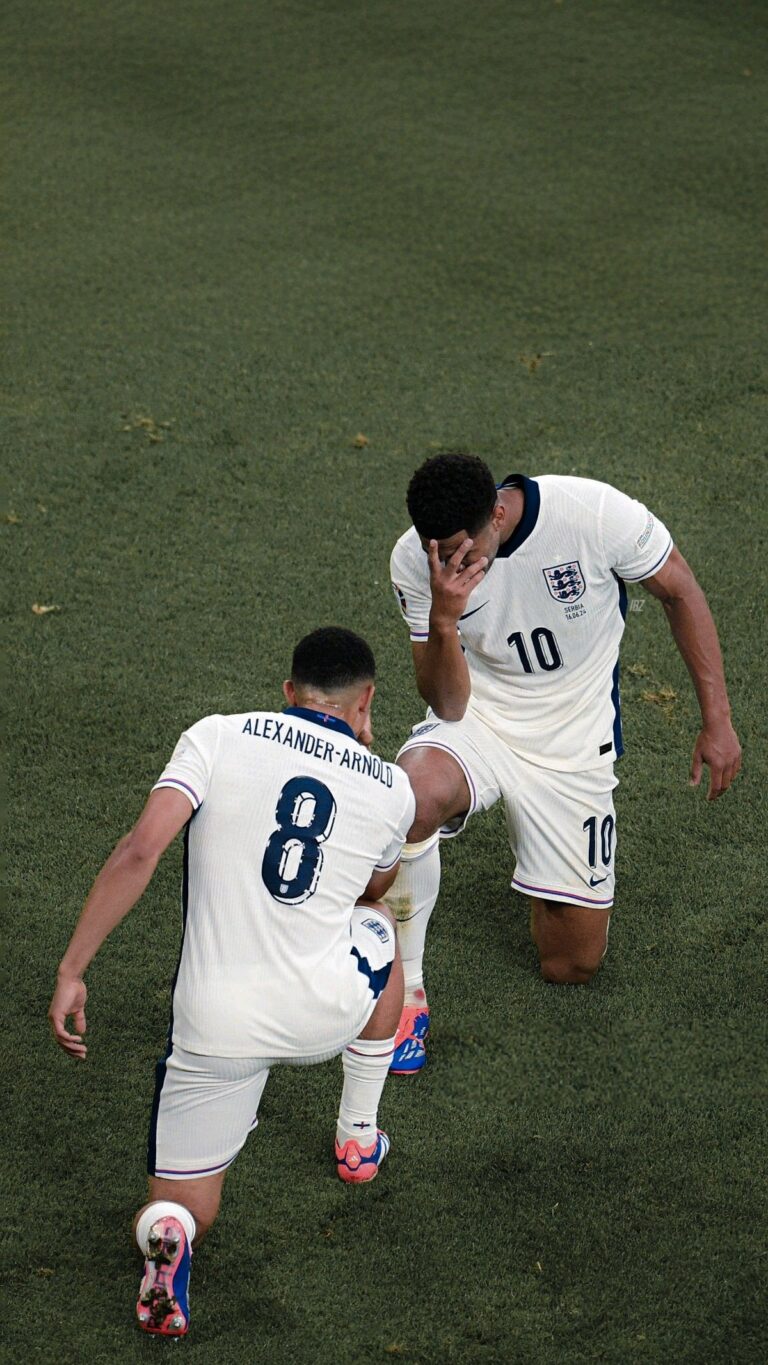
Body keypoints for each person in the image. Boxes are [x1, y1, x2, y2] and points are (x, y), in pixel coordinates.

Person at [48, 627, 415, 1337]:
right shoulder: (391, 785)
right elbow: (375, 882)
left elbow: (140, 849)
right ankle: (358, 1136)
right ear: (366, 700)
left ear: (287, 694)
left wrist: (72, 968)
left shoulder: (216, 735)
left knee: (184, 1206)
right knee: (378, 925)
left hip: (217, 1024)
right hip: (326, 1007)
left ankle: (170, 1242)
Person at [385, 453, 741, 1073]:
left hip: (573, 744)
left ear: (497, 513)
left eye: (463, 553)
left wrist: (717, 720)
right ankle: (405, 993)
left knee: (570, 965)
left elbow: (679, 589)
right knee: (408, 799)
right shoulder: (417, 561)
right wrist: (444, 619)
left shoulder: (593, 514)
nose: (451, 565)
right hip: (481, 719)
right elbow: (447, 701)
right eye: (437, 552)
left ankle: (548, 871)